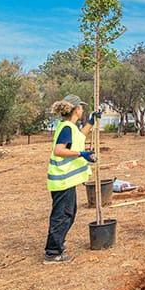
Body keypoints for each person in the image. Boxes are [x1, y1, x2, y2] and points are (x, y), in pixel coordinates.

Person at [44, 94, 99, 264]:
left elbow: (80, 137)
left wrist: (91, 122)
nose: (83, 110)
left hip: (65, 180)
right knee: (62, 215)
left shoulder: (69, 127)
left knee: (69, 213)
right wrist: (81, 154)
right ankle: (53, 252)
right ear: (76, 110)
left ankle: (57, 245)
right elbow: (59, 150)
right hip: (62, 179)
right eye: (81, 107)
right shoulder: (67, 128)